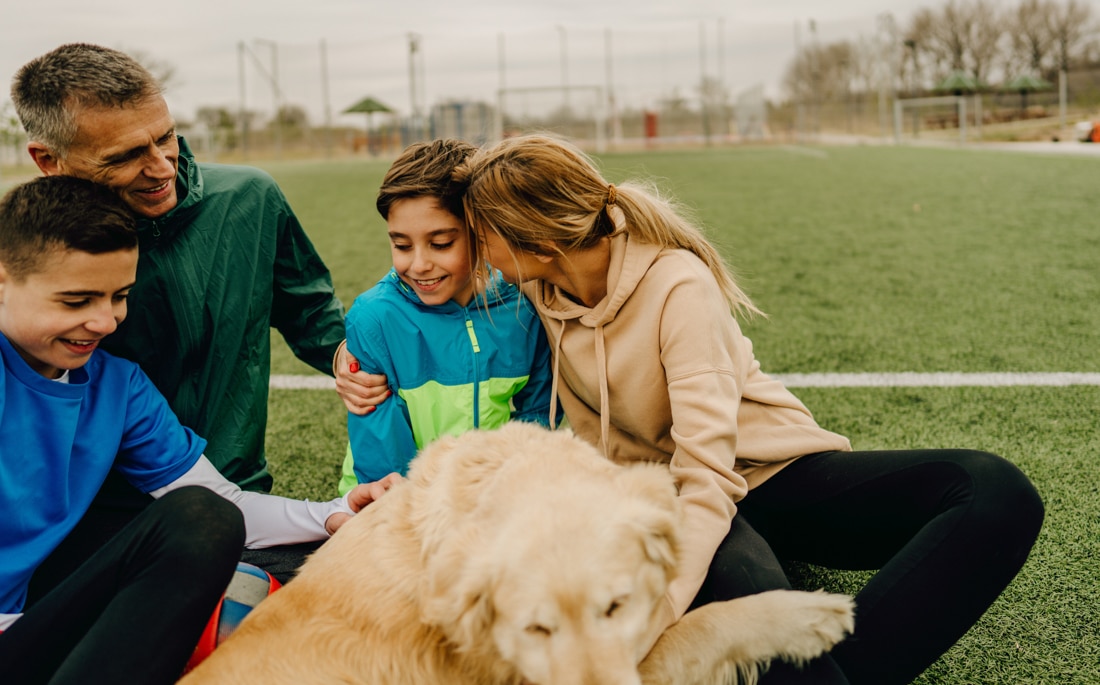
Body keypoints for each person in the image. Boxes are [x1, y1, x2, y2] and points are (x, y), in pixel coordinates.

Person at [445, 134, 1043, 685]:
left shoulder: (677, 285)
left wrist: (663, 610)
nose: (479, 254)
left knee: (995, 493)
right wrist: (349, 357)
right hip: (663, 496)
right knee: (773, 644)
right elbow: (423, 290)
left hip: (762, 476)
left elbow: (708, 478)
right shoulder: (535, 293)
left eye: (483, 236)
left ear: (541, 243)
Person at [0, 175, 398, 684]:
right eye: (77, 301)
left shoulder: (117, 385)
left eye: (119, 295)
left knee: (260, 536)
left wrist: (338, 512)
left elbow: (217, 507)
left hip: (32, 631)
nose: (106, 322)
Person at [10, 42, 372, 493]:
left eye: (165, 137)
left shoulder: (249, 198)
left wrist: (349, 360)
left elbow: (309, 309)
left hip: (235, 492)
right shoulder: (23, 245)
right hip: (87, 512)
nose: (161, 167)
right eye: (124, 156)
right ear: (49, 160)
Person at [337, 138, 557, 493]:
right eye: (402, 245)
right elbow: (382, 461)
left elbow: (539, 416)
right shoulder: (374, 317)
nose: (419, 265)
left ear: (480, 231)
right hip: (395, 505)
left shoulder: (524, 304)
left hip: (493, 500)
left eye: (440, 243)